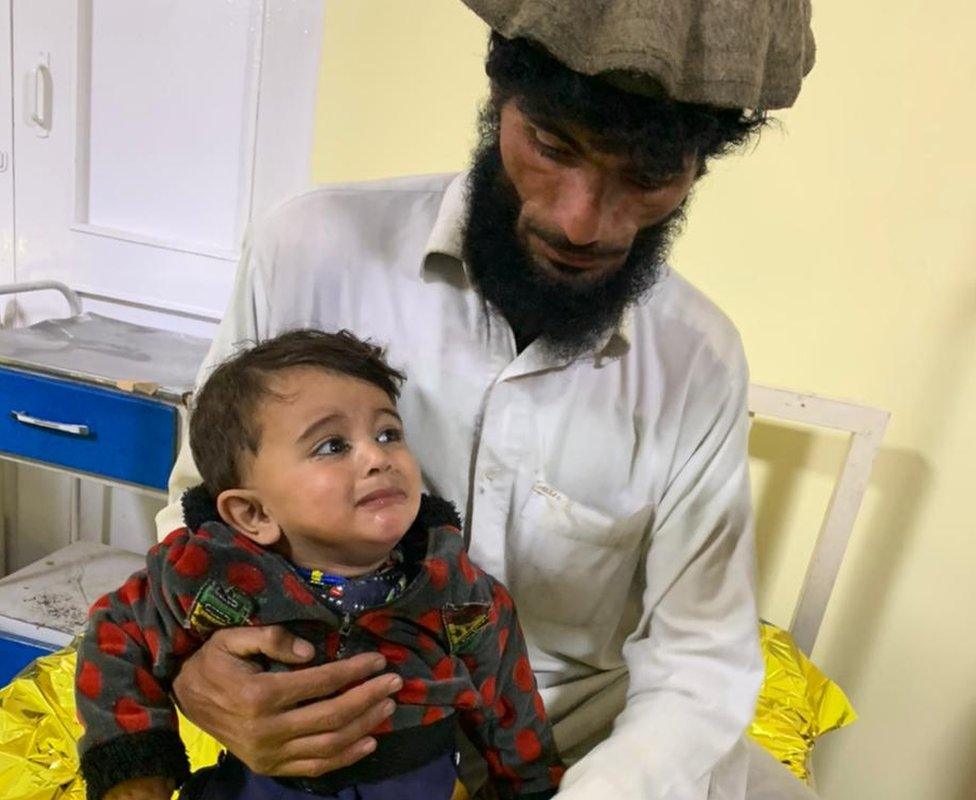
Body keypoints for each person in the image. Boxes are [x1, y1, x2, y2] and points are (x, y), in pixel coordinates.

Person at [156, 8, 820, 800]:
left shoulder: (698, 360)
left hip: (582, 753)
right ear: (498, 96)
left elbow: (701, 658)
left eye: (646, 178)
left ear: (698, 169)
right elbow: (201, 502)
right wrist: (197, 662)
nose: (581, 220)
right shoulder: (310, 249)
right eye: (550, 147)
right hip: (341, 741)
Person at [75, 329, 563, 800]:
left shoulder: (462, 597)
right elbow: (118, 635)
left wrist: (533, 789)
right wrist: (136, 772)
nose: (377, 456)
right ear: (254, 513)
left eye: (388, 432)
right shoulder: (211, 580)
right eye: (332, 445)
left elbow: (510, 711)